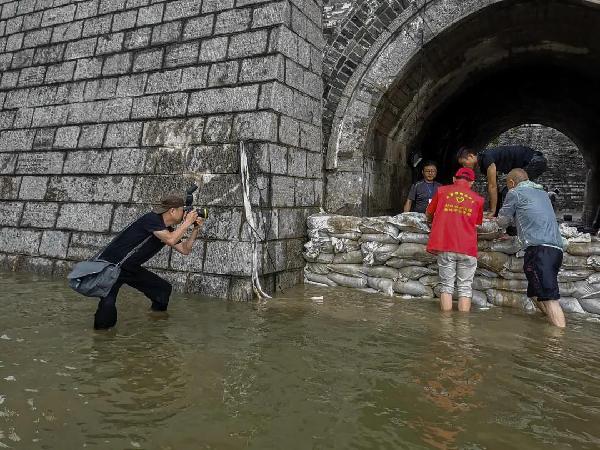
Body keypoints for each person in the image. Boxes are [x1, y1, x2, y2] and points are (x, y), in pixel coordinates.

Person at [93, 193, 204, 330]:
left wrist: (195, 229)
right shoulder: (151, 219)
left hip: (130, 267)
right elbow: (171, 240)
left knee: (163, 290)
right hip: (112, 265)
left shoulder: (167, 230)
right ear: (172, 211)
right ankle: (101, 340)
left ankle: (155, 324)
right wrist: (187, 223)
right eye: (183, 210)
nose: (185, 214)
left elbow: (185, 250)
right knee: (107, 306)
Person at [496, 169, 566, 328]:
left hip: (539, 250)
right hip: (556, 250)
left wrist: (496, 225)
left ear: (512, 183)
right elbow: (533, 217)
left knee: (550, 299)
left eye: (508, 185)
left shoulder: (515, 193)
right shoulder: (542, 194)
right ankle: (547, 327)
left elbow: (503, 220)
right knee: (535, 294)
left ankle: (557, 344)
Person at [426, 168, 485, 312]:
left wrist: (431, 221)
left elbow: (429, 213)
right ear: (471, 183)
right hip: (467, 248)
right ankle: (462, 326)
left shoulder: (441, 191)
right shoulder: (478, 199)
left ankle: (446, 325)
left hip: (446, 245)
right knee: (465, 288)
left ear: (454, 179)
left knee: (447, 286)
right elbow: (477, 222)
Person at [457, 145, 547, 216]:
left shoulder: (486, 159)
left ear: (471, 156)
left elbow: (492, 186)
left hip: (534, 160)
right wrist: (493, 211)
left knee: (510, 192)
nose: (464, 167)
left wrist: (492, 210)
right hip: (533, 161)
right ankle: (500, 217)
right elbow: (494, 187)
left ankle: (512, 224)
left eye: (464, 163)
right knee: (506, 192)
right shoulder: (483, 165)